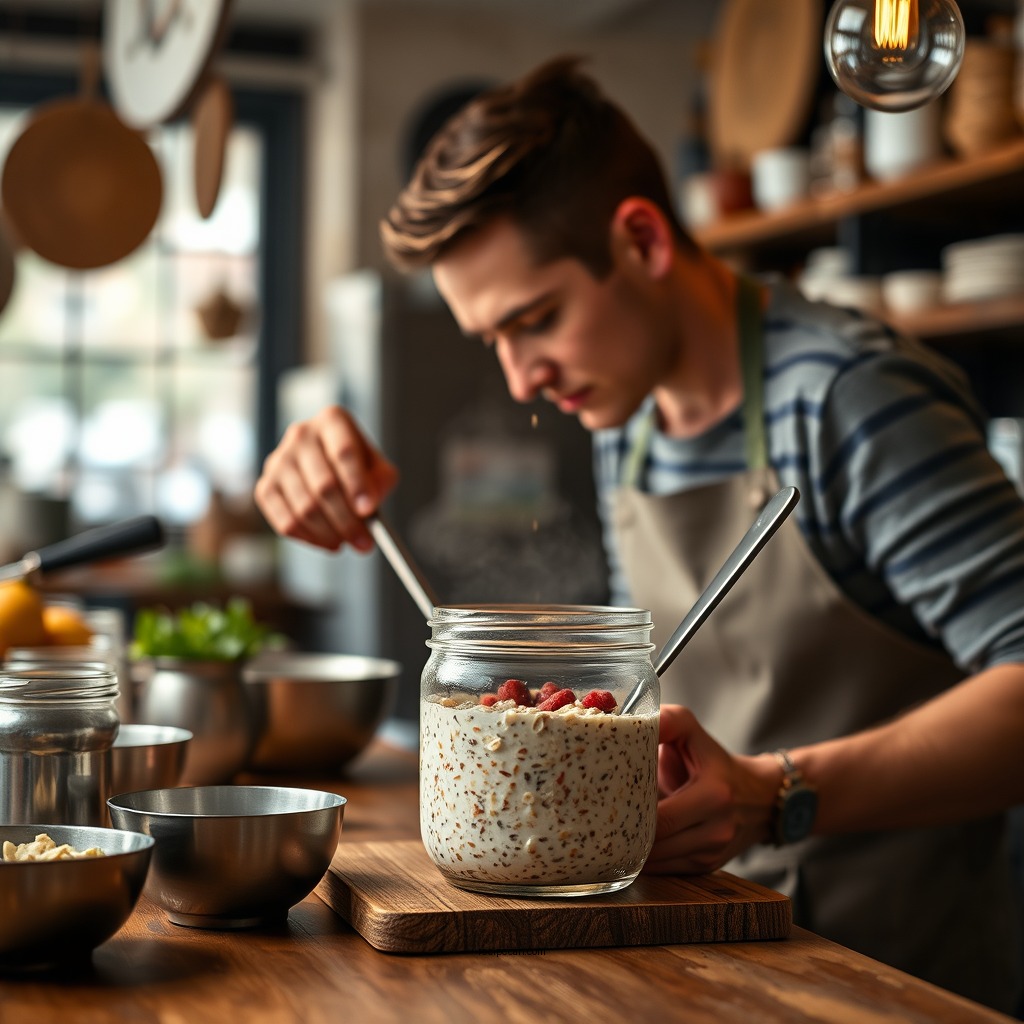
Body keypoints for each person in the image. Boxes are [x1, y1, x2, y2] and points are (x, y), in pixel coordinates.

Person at [255, 57, 1024, 1013]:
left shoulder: (851, 404)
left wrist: (778, 792)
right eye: (492, 340)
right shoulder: (632, 421)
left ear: (643, 240)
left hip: (885, 974)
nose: (522, 380)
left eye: (536, 320)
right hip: (699, 950)